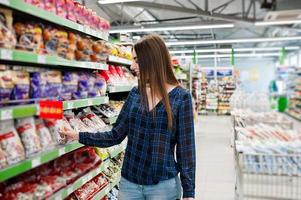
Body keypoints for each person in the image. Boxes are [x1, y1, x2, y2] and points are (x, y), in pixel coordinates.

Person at [59, 34, 196, 200]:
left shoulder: (181, 97)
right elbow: (115, 135)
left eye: (137, 60)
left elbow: (186, 151)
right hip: (129, 183)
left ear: (152, 60)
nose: (132, 66)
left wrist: (189, 193)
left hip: (163, 186)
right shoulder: (135, 94)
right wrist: (78, 135)